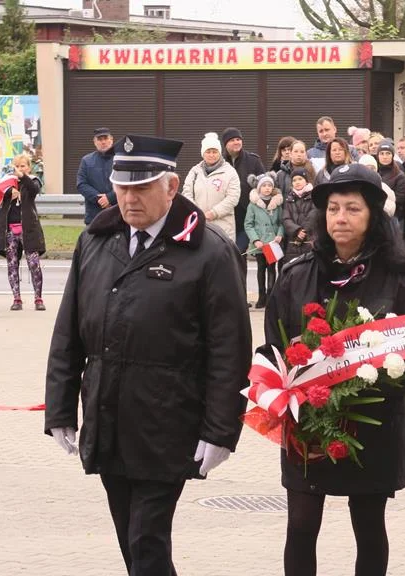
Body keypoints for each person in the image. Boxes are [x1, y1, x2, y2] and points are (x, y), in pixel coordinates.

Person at [45, 134, 251, 576]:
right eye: (122, 187)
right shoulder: (97, 242)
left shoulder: (209, 252)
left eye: (142, 188)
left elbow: (229, 349)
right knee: (131, 541)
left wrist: (221, 429)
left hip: (168, 420)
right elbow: (68, 333)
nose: (129, 198)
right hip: (108, 415)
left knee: (146, 539)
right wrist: (59, 409)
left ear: (172, 187)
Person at [264, 163, 405, 576]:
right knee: (301, 525)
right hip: (309, 424)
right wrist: (287, 385)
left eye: (353, 209)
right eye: (333, 209)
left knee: (368, 524)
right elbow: (270, 348)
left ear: (374, 217)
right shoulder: (295, 275)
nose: (340, 218)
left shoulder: (404, 280)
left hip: (374, 425)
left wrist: (371, 381)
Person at [0, 153, 46, 311]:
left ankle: (38, 298)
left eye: (23, 165)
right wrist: (8, 193)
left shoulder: (32, 180)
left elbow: (35, 189)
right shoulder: (6, 182)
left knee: (34, 264)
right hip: (10, 229)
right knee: (12, 264)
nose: (20, 169)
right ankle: (16, 298)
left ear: (28, 167)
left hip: (28, 229)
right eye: (17, 166)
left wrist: (22, 177)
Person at [183, 132, 242, 242]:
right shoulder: (194, 171)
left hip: (223, 228)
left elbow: (233, 198)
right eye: (208, 152)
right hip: (199, 225)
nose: (211, 155)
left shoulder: (230, 172)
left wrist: (213, 213)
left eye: (214, 152)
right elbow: (187, 192)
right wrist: (197, 212)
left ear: (219, 153)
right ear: (203, 153)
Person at [222, 127, 266, 253]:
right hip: (227, 215)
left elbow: (263, 186)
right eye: (232, 140)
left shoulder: (253, 160)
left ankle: (240, 273)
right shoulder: (220, 163)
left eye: (238, 139)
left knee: (240, 251)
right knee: (228, 252)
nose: (236, 142)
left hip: (247, 215)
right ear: (225, 144)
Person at [245, 172, 284, 309]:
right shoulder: (253, 205)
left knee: (272, 269)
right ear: (259, 187)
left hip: (272, 243)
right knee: (261, 270)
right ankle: (261, 296)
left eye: (269, 185)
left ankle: (270, 295)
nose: (267, 188)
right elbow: (248, 224)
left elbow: (281, 223)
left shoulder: (277, 205)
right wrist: (255, 240)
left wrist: (279, 234)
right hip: (260, 244)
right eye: (264, 185)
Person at [76, 127, 116, 225]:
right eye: (99, 139)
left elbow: (127, 183)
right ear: (95, 142)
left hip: (118, 213)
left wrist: (110, 198)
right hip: (94, 215)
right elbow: (81, 184)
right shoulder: (86, 161)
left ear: (111, 140)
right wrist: (99, 199)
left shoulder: (120, 159)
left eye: (105, 138)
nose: (103, 142)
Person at [282, 167, 318, 265]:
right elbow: (286, 218)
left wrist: (303, 231)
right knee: (293, 270)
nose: (297, 182)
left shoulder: (314, 196)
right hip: (293, 241)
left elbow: (314, 215)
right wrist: (297, 230)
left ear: (306, 181)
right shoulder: (289, 198)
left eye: (300, 179)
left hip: (309, 239)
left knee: (309, 269)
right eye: (294, 180)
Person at [375, 139, 405, 230]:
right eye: (382, 154)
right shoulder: (374, 172)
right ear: (377, 156)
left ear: (392, 155)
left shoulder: (399, 175)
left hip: (394, 217)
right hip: (375, 217)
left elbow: (400, 198)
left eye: (388, 153)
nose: (385, 157)